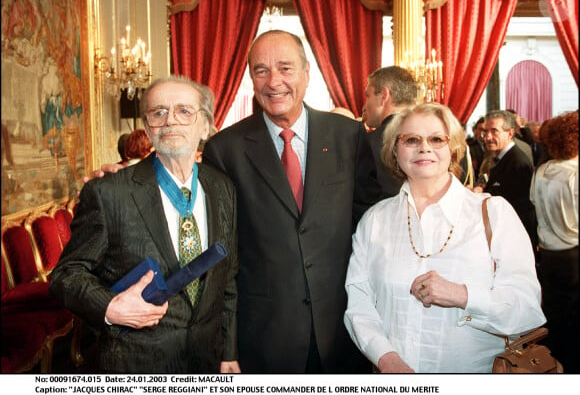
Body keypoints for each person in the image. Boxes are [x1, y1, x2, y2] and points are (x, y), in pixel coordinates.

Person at [202, 29, 383, 373]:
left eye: (285, 69)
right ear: (250, 79)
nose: (274, 82)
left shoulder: (348, 136)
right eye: (261, 71)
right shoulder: (224, 150)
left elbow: (370, 225)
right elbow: (221, 256)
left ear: (306, 73)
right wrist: (227, 346)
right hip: (265, 337)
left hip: (344, 328)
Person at [49, 76, 240, 374]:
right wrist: (110, 307)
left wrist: (228, 352)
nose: (170, 121)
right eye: (159, 112)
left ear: (205, 125)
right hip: (136, 364)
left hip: (207, 360)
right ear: (147, 126)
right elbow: (65, 275)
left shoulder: (223, 188)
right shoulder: (108, 192)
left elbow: (227, 278)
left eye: (184, 111)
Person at [344, 102, 546, 373]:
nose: (424, 147)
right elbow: (359, 301)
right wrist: (385, 357)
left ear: (453, 148)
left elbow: (527, 310)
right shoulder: (375, 221)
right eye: (411, 139)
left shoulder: (493, 215)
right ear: (395, 149)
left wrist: (462, 295)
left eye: (436, 139)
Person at [530, 110, 579, 373]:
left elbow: (535, 205)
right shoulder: (575, 172)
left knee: (555, 316)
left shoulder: (542, 170)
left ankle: (554, 365)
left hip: (548, 256)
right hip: (573, 255)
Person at [478, 110, 538, 254]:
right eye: (485, 132)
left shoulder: (517, 162)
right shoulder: (502, 159)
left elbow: (519, 207)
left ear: (510, 133)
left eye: (494, 131)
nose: (488, 137)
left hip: (514, 241)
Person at [362, 66, 417, 198]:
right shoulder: (442, 139)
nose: (365, 106)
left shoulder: (366, 144)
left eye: (368, 96)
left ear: (383, 96)